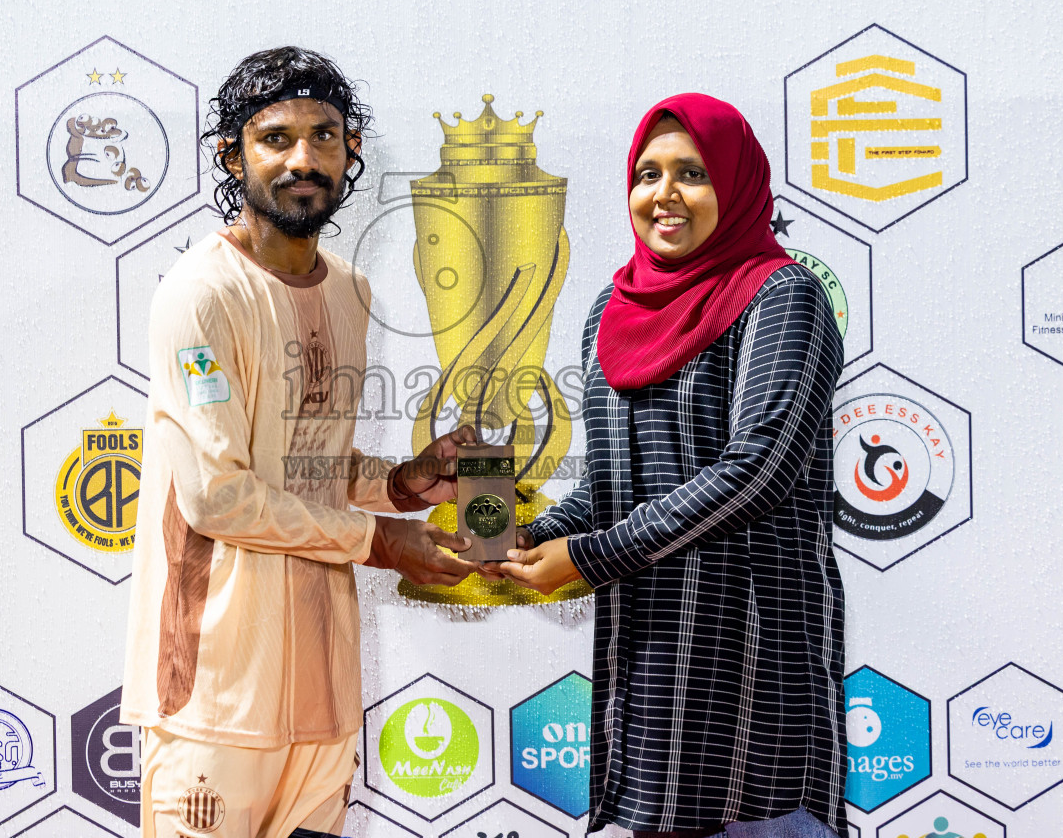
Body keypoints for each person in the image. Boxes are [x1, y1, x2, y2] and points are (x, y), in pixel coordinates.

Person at [122, 47, 479, 838]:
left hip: (323, 694)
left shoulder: (351, 290)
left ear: (352, 150)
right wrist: (382, 541)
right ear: (233, 155)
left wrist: (405, 483)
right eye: (275, 138)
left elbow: (306, 464)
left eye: (323, 136)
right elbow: (219, 495)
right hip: (216, 692)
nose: (303, 160)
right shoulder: (201, 293)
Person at [497, 94, 847, 838]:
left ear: (736, 184)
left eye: (692, 173)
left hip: (752, 664)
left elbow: (758, 469)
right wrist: (530, 535)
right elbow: (610, 483)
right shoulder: (612, 309)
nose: (664, 194)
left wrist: (590, 558)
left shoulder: (781, 296)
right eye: (647, 174)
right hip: (650, 669)